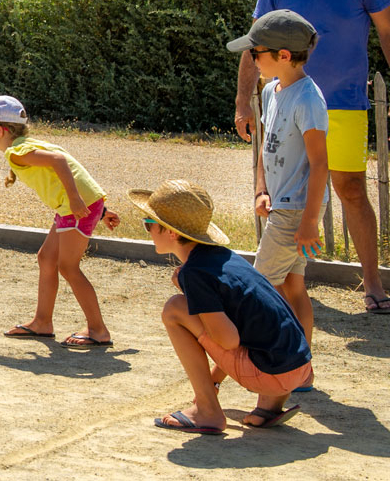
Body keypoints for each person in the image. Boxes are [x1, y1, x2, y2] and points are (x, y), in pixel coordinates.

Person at [234, 0, 390, 316]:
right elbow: (253, 43)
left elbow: (388, 30)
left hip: (344, 104)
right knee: (282, 193)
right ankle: (292, 283)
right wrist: (244, 99)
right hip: (287, 103)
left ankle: (373, 282)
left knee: (350, 190)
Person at [133, 180, 312, 435]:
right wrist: (215, 380)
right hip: (298, 367)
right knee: (253, 325)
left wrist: (191, 294)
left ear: (170, 232)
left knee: (174, 309)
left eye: (149, 224)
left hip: (272, 374)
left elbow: (228, 340)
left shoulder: (194, 273)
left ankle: (207, 412)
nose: (147, 230)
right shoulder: (224, 258)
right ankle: (269, 407)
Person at [0, 95, 120, 348]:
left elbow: (59, 162)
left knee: (68, 267)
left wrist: (79, 201)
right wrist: (98, 209)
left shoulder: (17, 152)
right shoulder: (27, 144)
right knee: (47, 258)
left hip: (74, 207)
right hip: (75, 205)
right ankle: (42, 322)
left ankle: (98, 330)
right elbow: (65, 168)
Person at [227, 9, 326, 389]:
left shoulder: (309, 99)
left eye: (257, 53)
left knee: (254, 292)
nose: (252, 60)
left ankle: (221, 378)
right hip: (281, 204)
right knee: (292, 287)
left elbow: (320, 165)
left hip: (295, 212)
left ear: (284, 55)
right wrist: (261, 188)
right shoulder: (271, 91)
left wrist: (309, 222)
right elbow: (266, 150)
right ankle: (302, 372)